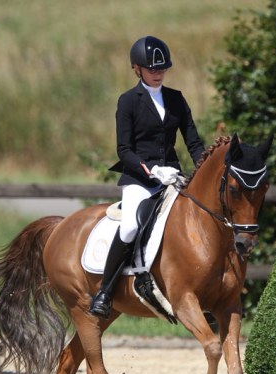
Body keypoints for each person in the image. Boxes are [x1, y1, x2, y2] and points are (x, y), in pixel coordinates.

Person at [89, 35, 205, 319]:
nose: (158, 73)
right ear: (137, 69)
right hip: (140, 179)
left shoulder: (176, 98)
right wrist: (152, 170)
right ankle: (105, 290)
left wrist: (204, 167)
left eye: (162, 68)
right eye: (152, 69)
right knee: (129, 227)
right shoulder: (128, 101)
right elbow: (124, 150)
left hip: (173, 176)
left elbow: (193, 142)